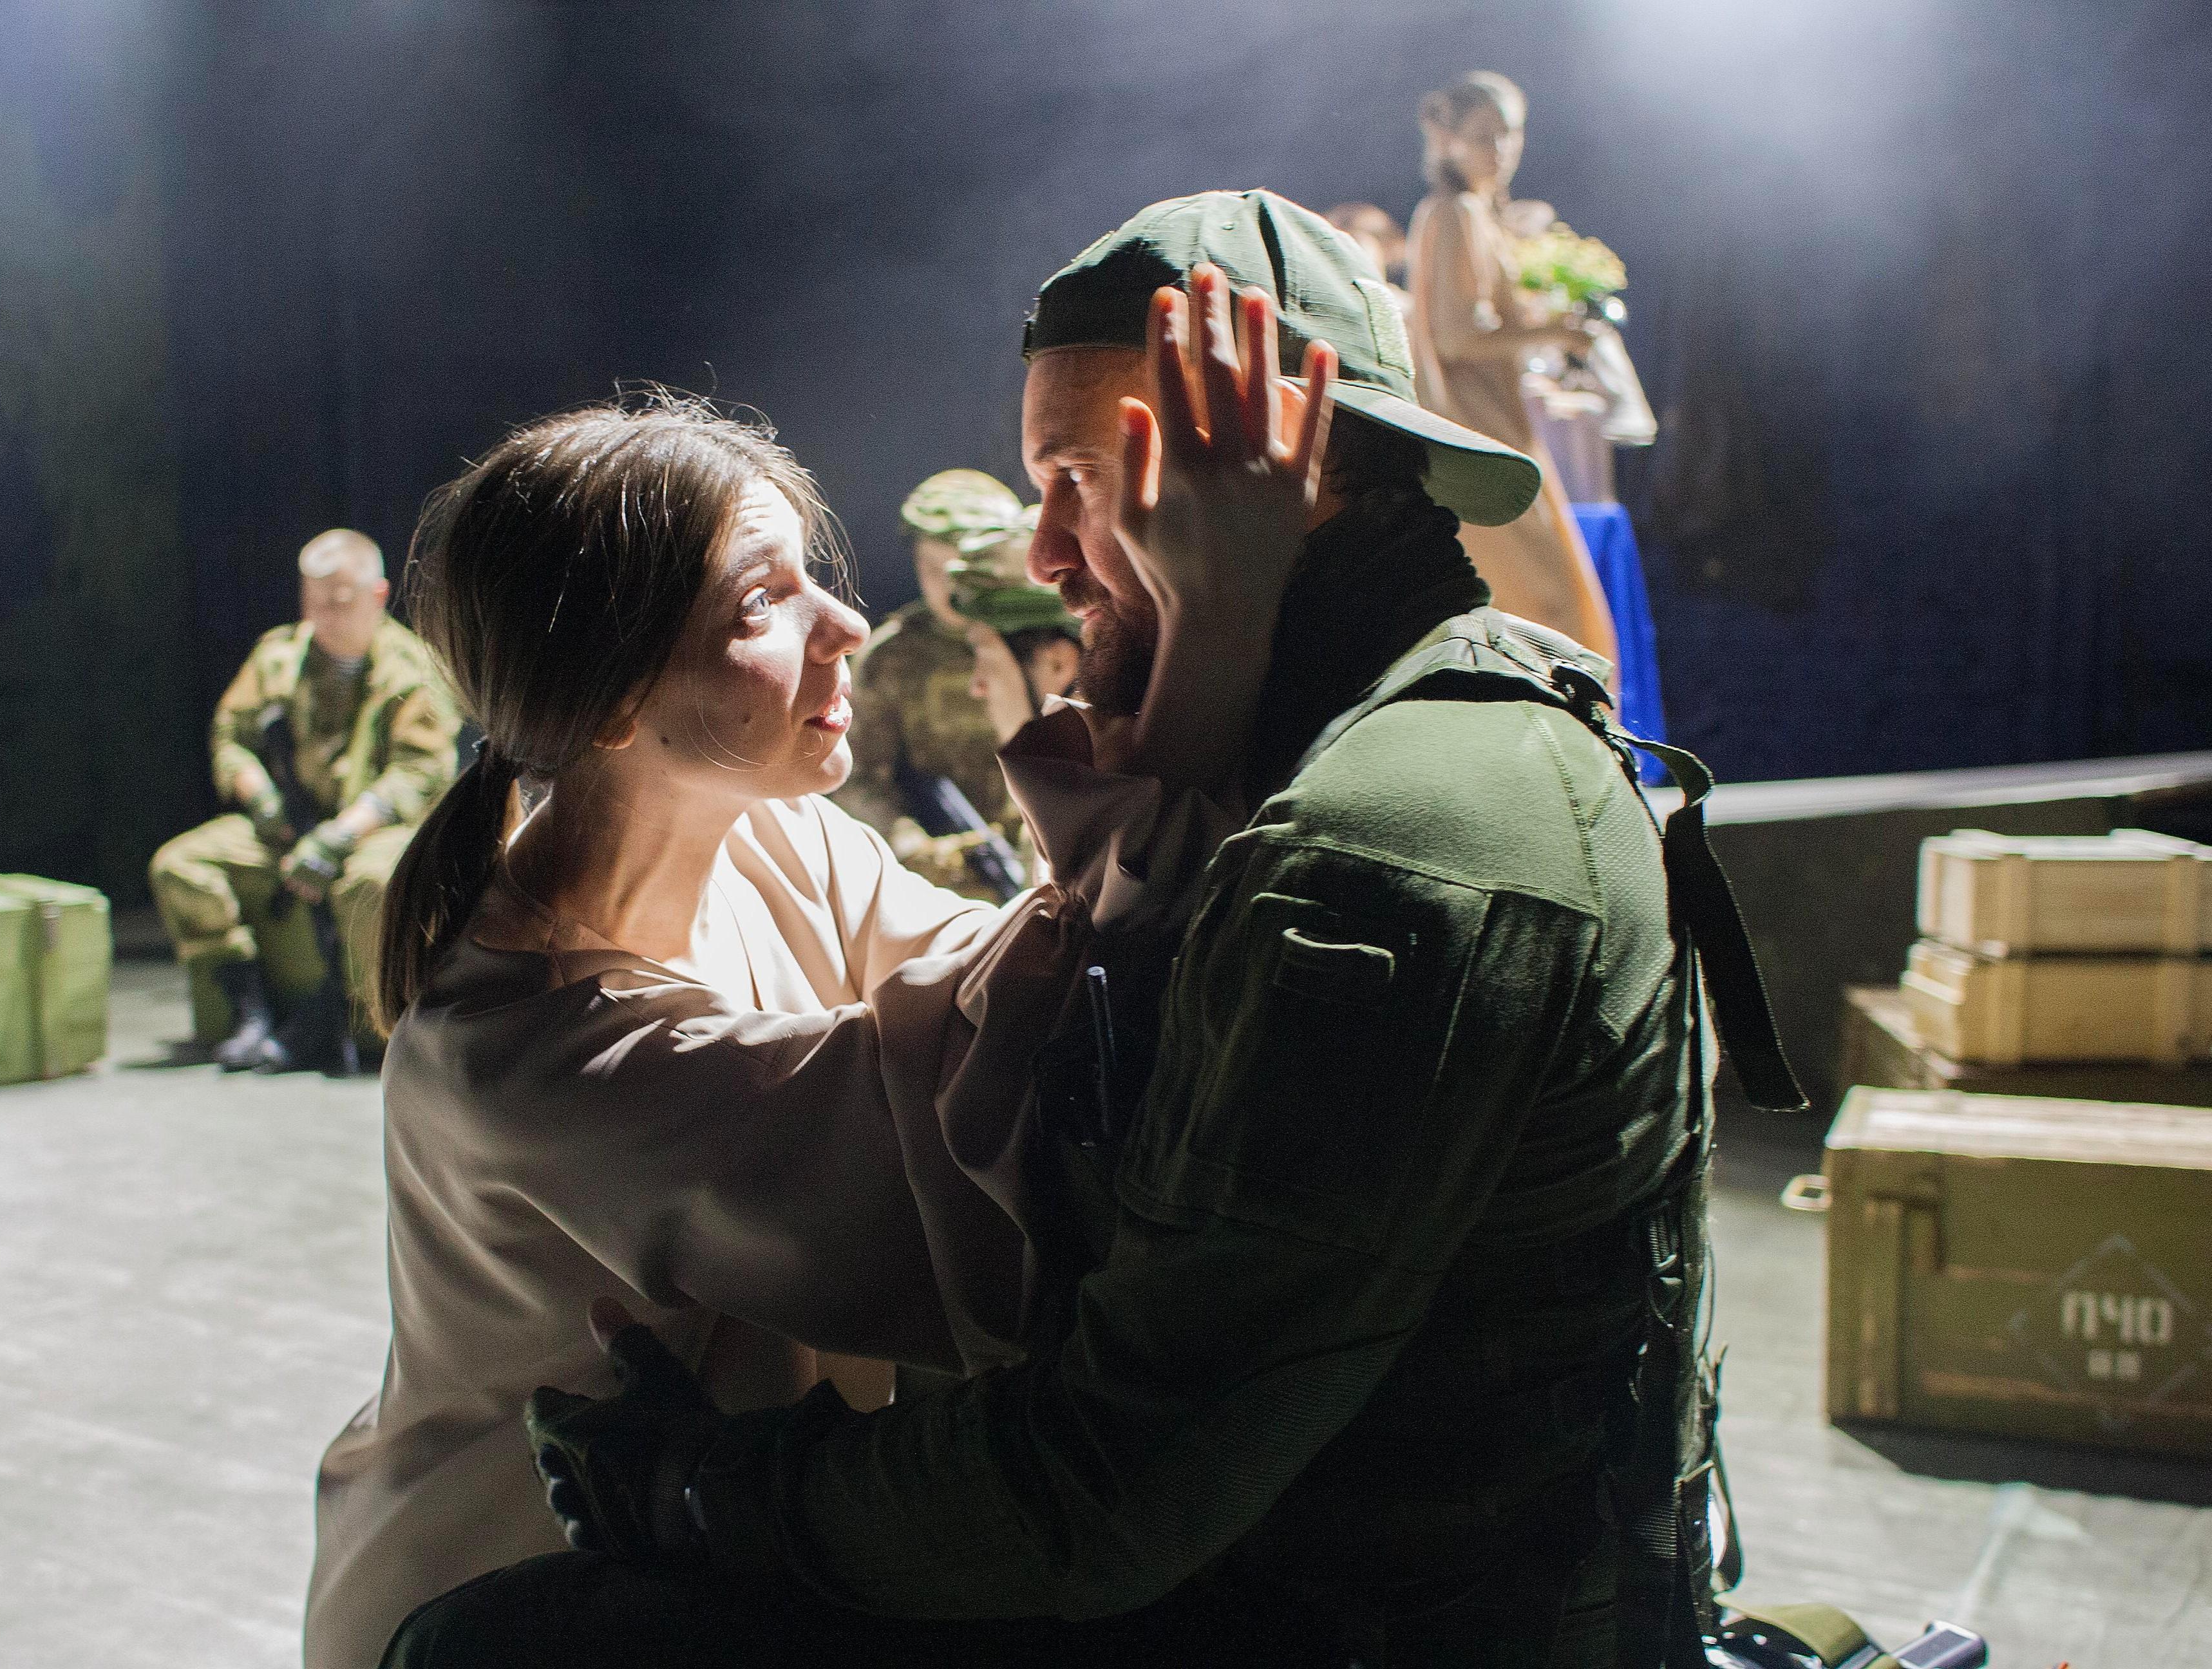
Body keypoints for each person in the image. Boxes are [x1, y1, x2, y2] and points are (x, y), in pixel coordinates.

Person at [476, 193, 1804, 1669]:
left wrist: (697, 1492)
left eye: (1076, 478)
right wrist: (1205, 651)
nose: (1043, 547)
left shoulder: (1380, 847)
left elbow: (1101, 1486)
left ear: (1279, 465)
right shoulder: (1384, 729)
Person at [304, 379, 1321, 1668]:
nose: (843, 624)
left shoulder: (775, 838)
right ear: (610, 699)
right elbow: (998, 1106)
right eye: (761, 603)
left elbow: (1019, 978)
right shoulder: (535, 1063)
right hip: (514, 1605)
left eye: (815, 577)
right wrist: (1215, 633)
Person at [148, 529, 460, 1071]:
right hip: (292, 826)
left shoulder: (412, 670)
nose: (325, 617)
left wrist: (341, 836)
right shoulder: (279, 658)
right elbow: (231, 738)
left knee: (373, 883)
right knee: (182, 865)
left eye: (340, 602)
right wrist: (261, 798)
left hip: (377, 826)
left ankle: (372, 1032)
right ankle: (249, 1009)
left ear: (379, 595)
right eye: (314, 602)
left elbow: (419, 772)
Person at [1406, 71, 1623, 672]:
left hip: (1497, 419)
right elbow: (1454, 337)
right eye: (1484, 135)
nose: (1500, 150)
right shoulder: (1454, 212)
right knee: (1540, 598)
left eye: (1510, 133)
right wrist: (1555, 333)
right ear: (1448, 140)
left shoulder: (1475, 212)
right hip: (1474, 425)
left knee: (1544, 593)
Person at [832, 469, 1038, 900]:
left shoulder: (1048, 638)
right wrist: (912, 847)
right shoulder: (891, 657)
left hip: (1045, 851)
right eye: (932, 569)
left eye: (962, 569)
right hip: (941, 881)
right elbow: (858, 777)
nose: (947, 587)